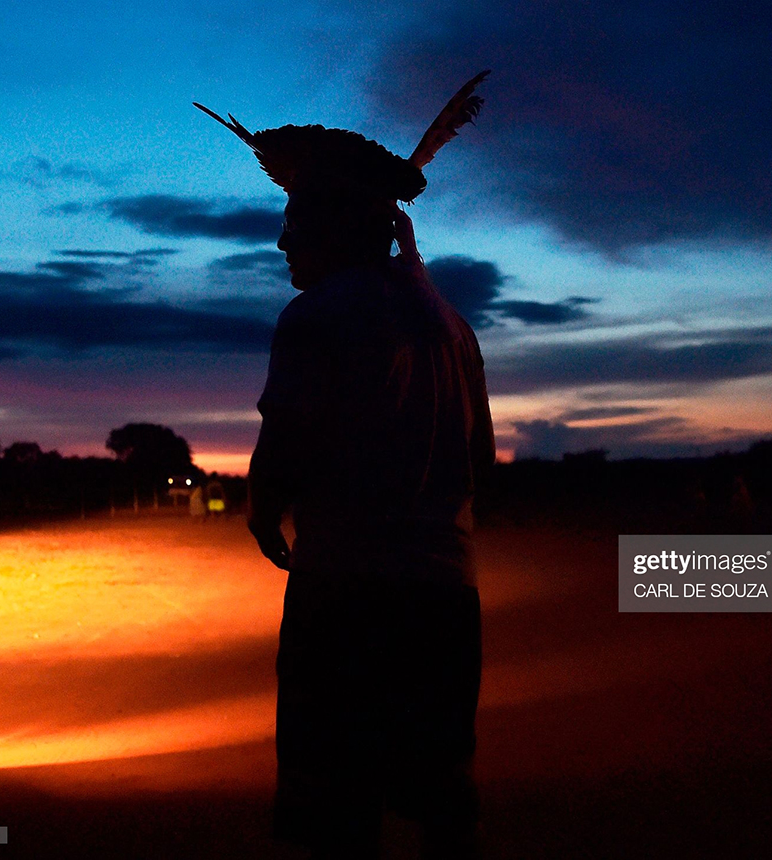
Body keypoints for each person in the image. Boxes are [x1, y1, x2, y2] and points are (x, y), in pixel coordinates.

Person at [196, 72, 494, 860]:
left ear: (340, 223)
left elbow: (282, 448)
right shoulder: (453, 326)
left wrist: (263, 515)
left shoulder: (316, 316)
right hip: (446, 599)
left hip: (346, 594)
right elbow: (482, 462)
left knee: (332, 805)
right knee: (441, 802)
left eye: (297, 218)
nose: (284, 239)